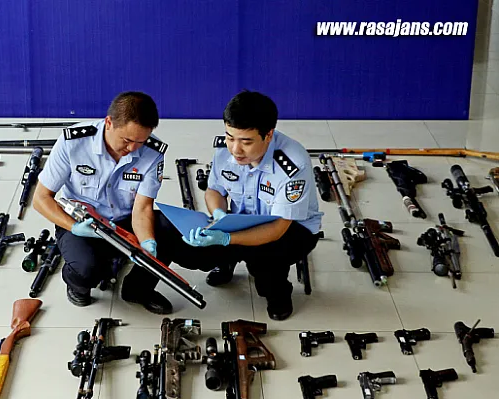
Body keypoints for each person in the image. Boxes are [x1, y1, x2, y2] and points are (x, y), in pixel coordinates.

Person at [177, 90, 323, 320]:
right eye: (230, 137)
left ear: (268, 135)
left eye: (246, 142)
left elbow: (277, 229)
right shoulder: (225, 151)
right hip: (241, 217)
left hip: (291, 228)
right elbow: (215, 190)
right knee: (204, 248)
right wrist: (219, 215)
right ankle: (227, 262)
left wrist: (227, 239)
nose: (235, 149)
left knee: (264, 260)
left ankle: (278, 294)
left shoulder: (292, 164)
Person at [33, 91, 175, 315]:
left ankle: (136, 290)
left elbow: (142, 208)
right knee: (86, 269)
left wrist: (147, 242)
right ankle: (77, 285)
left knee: (168, 231)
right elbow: (41, 198)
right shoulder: (74, 143)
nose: (133, 149)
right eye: (127, 140)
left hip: (125, 222)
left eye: (141, 141)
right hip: (81, 222)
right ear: (109, 123)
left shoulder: (153, 152)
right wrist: (73, 227)